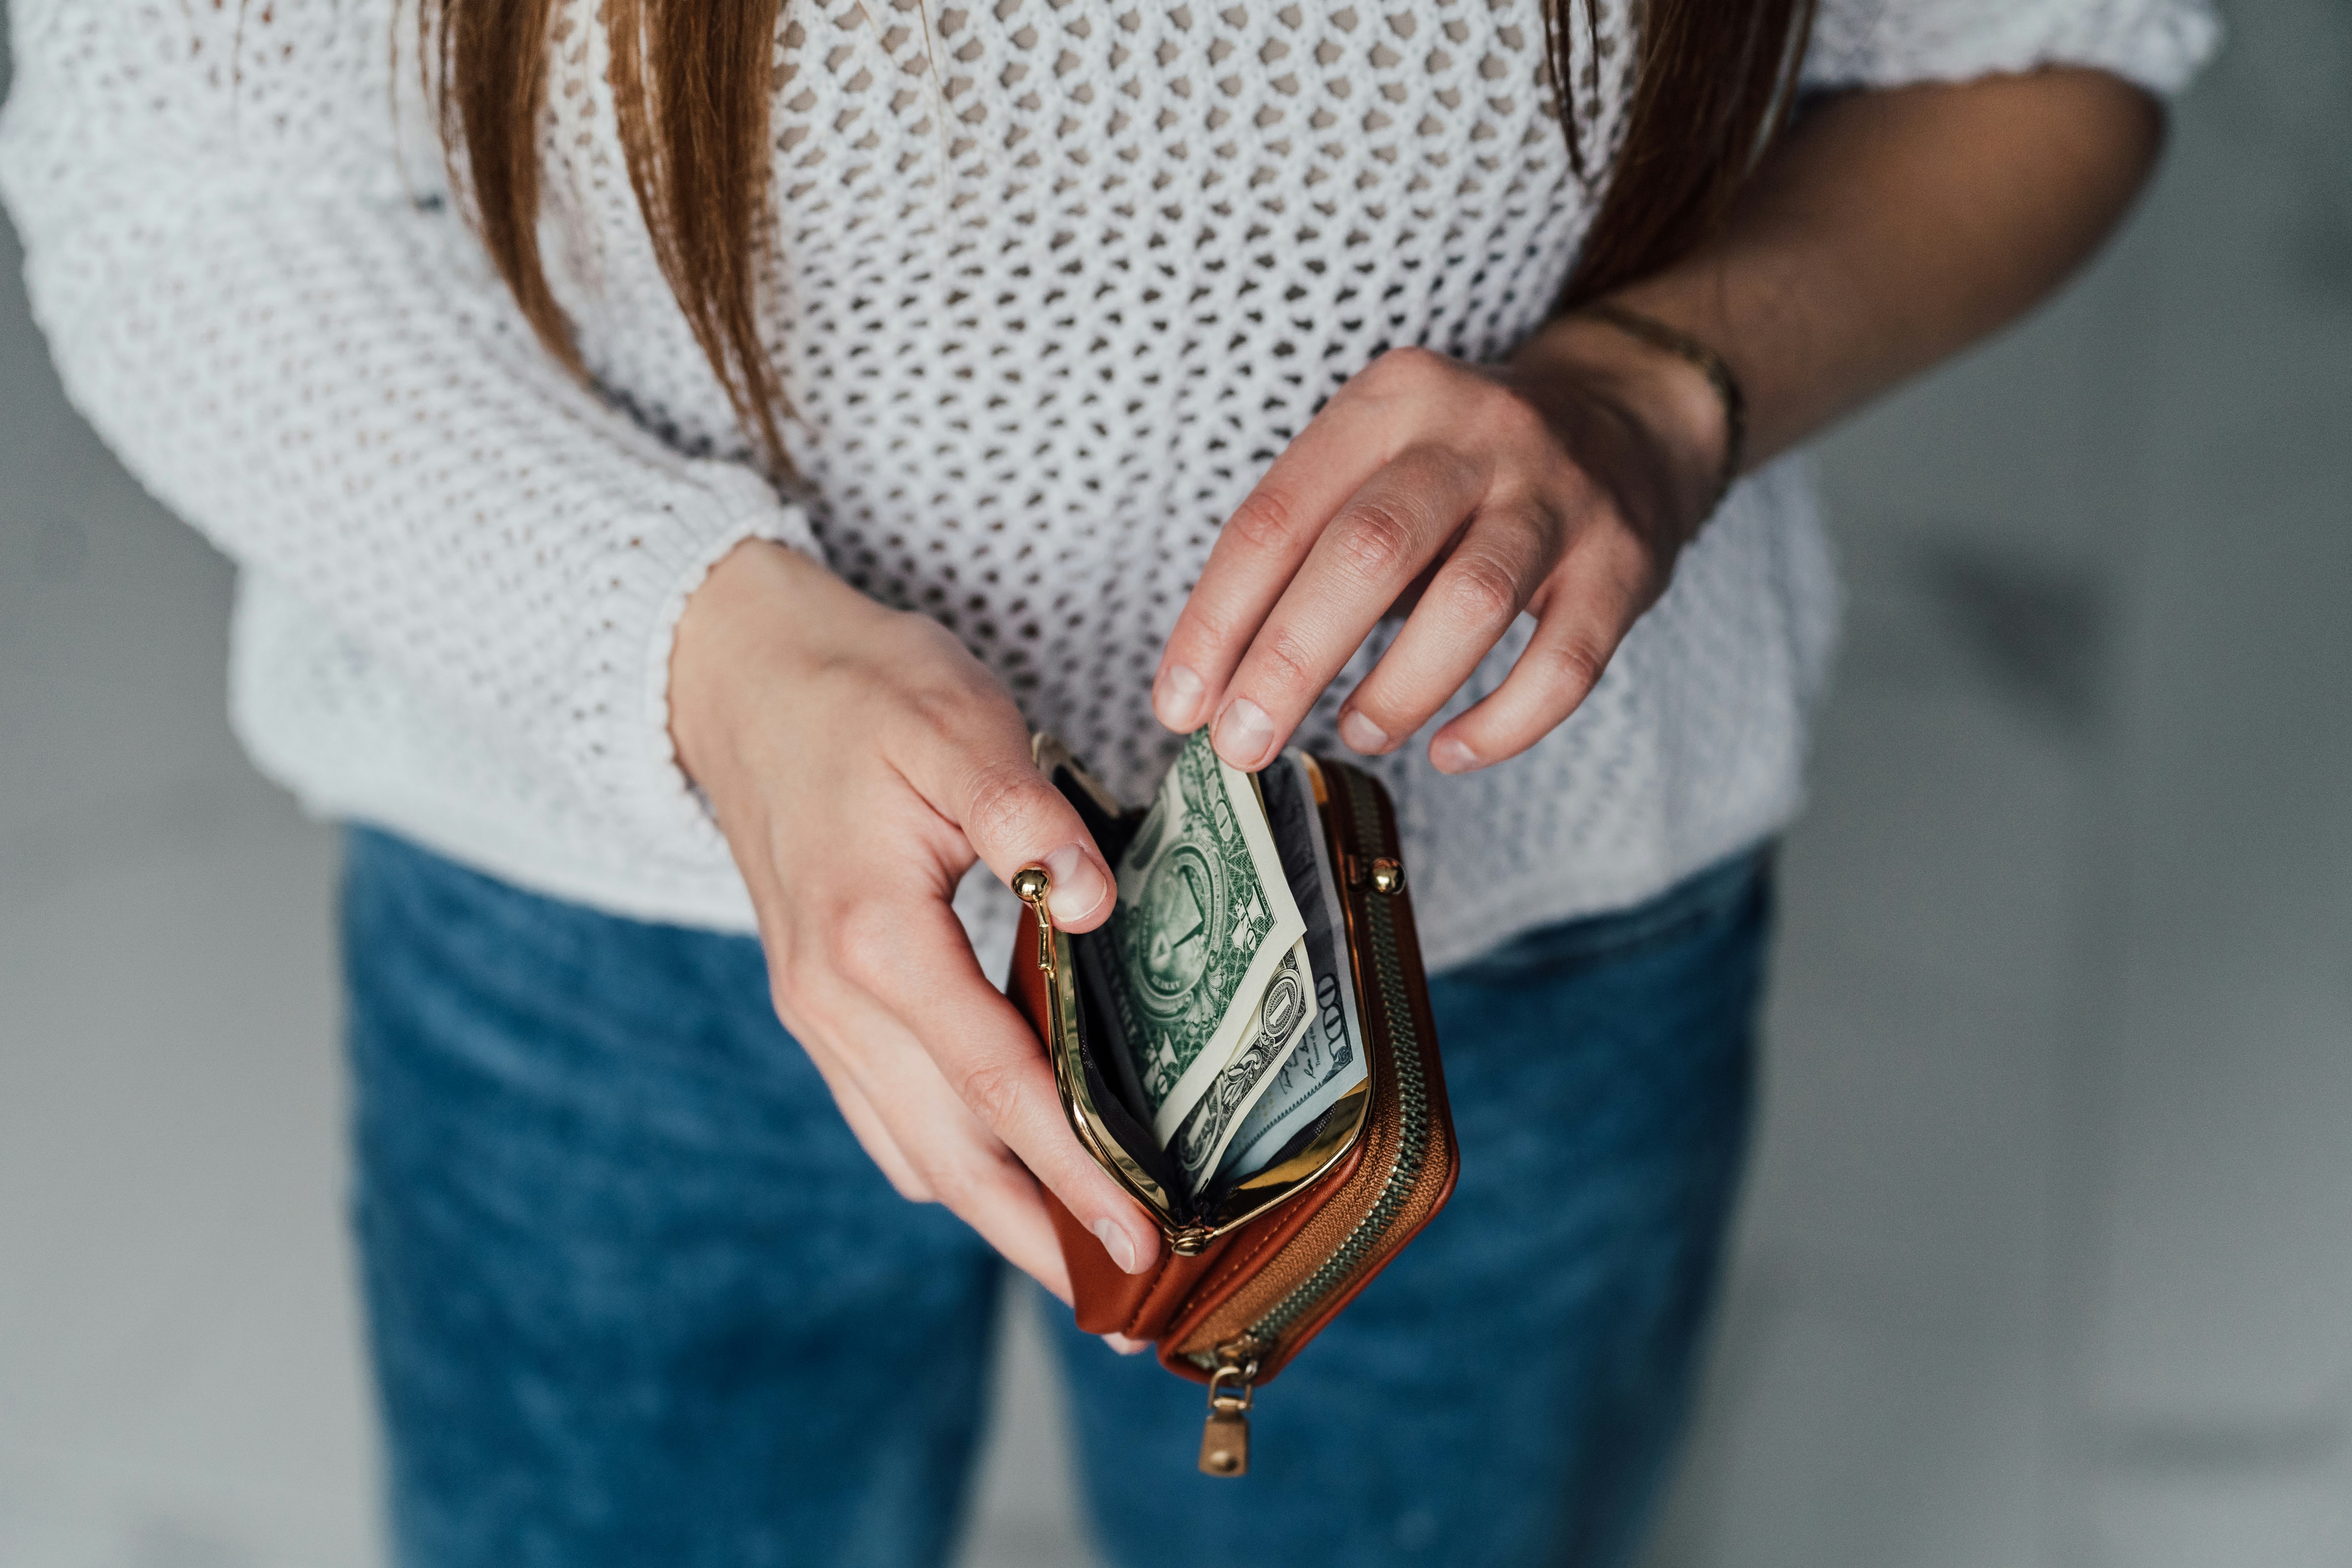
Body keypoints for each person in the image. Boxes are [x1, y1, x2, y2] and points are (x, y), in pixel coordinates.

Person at [0, 0, 2214, 1563]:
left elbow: (2053, 50)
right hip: (604, 902)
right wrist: (695, 650)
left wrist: (1653, 388)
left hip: (1486, 939)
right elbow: (187, 192)